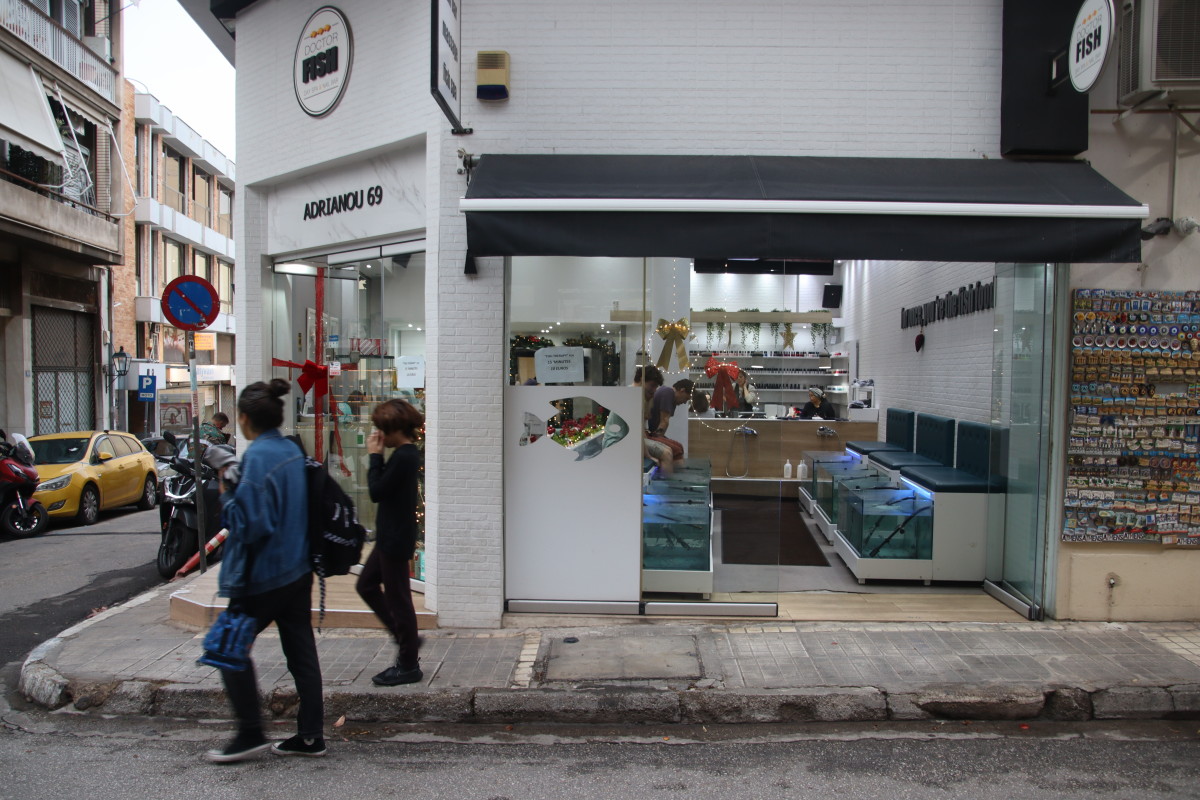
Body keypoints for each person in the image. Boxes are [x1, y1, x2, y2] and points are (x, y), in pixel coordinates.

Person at [207, 379, 325, 762]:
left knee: (227, 646)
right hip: (296, 568)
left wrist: (227, 491)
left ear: (243, 419)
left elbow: (250, 525)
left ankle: (250, 732)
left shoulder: (257, 457)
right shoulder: (291, 449)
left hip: (261, 574)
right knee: (301, 653)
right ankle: (310, 736)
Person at [356, 399, 424, 687]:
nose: (380, 435)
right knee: (366, 585)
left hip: (394, 538)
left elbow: (376, 491)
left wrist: (375, 456)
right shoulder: (404, 454)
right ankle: (405, 638)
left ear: (394, 429)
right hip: (390, 535)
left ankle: (408, 664)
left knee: (399, 600)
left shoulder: (404, 456)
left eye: (382, 429)